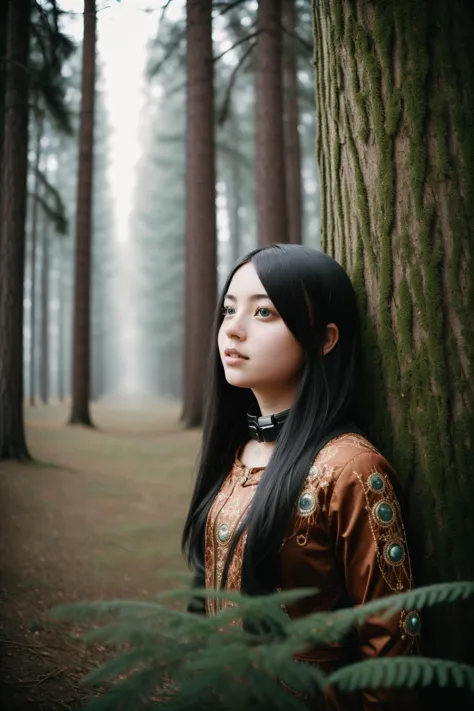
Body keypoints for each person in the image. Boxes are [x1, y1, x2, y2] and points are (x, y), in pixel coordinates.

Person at [181, 244, 420, 710]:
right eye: (230, 309)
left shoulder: (350, 469)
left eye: (264, 312)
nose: (233, 328)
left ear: (324, 339)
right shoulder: (234, 452)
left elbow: (392, 648)